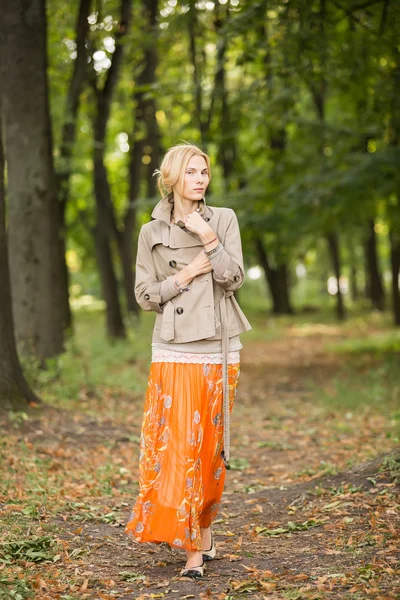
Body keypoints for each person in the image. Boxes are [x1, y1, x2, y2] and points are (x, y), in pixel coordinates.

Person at [125, 142, 251, 579]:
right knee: (178, 447)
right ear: (173, 177)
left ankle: (203, 527)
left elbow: (234, 279)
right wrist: (186, 274)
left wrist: (209, 240)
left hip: (218, 345)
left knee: (210, 450)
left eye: (205, 172)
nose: (201, 179)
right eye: (192, 172)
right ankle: (191, 550)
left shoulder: (224, 219)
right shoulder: (150, 232)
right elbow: (145, 296)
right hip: (174, 346)